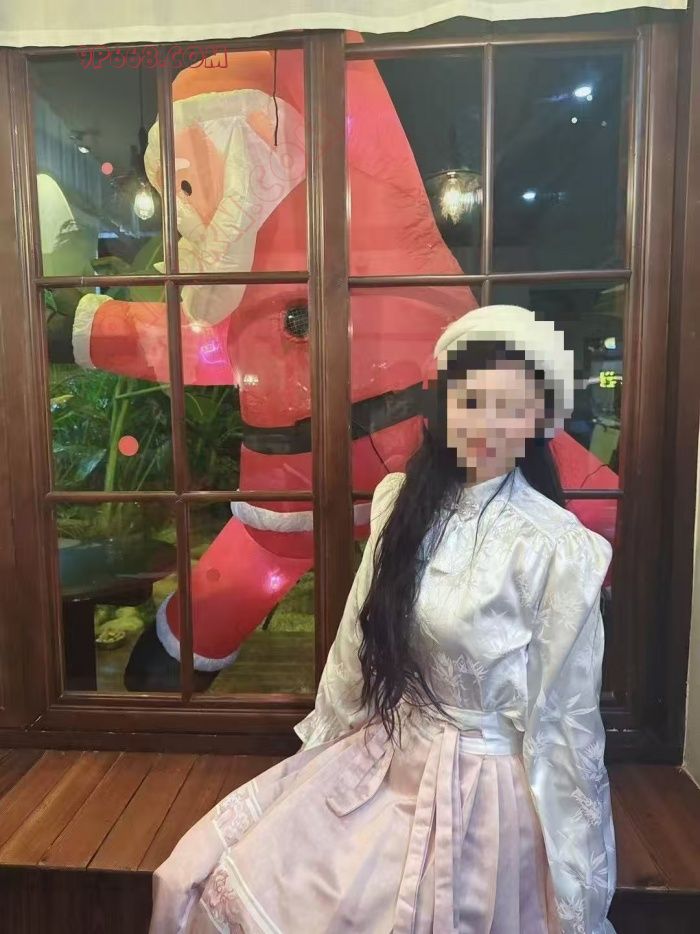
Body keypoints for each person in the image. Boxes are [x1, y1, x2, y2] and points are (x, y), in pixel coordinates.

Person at [149, 305, 616, 934]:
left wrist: (580, 881)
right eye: (472, 401)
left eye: (511, 407)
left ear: (539, 420)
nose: (486, 424)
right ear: (444, 406)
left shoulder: (560, 549)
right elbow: (355, 641)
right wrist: (320, 754)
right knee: (205, 873)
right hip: (391, 753)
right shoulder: (401, 504)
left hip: (486, 796)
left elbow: (566, 725)